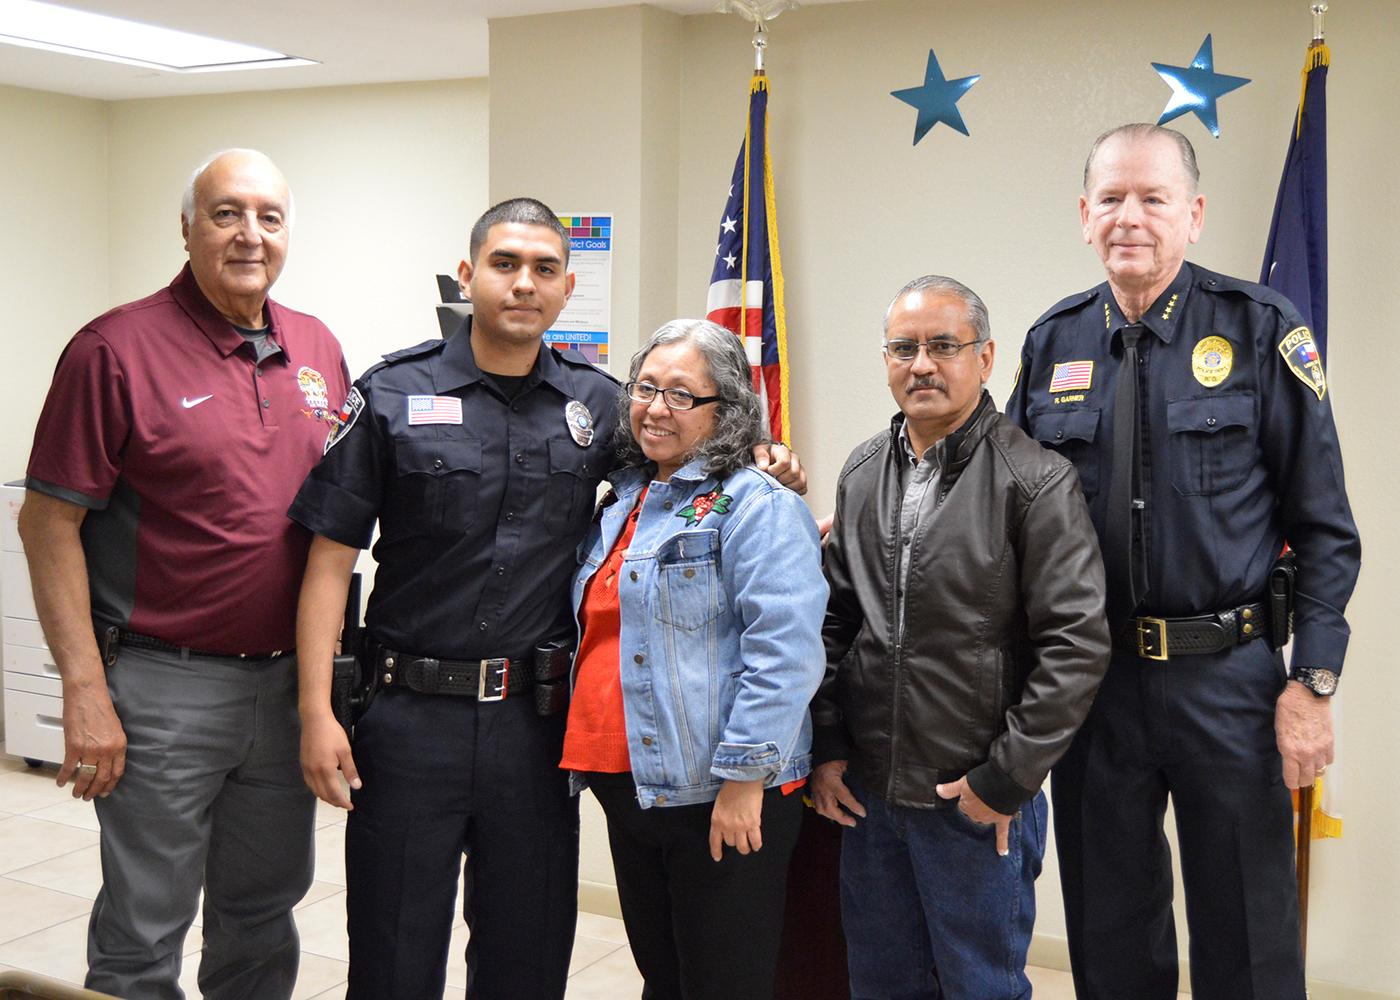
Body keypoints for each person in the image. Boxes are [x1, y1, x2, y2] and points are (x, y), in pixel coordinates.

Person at [289, 198, 807, 999]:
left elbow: (689, 454)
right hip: (408, 720)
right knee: (393, 953)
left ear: (567, 288)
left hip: (532, 729)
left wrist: (765, 456)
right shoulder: (392, 392)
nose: (523, 284)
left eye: (543, 269)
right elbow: (330, 558)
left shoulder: (599, 404)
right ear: (467, 277)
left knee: (526, 958)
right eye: (504, 264)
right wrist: (316, 710)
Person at [1006, 123, 1362, 1000]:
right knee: (1110, 937)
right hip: (1094, 686)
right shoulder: (1054, 341)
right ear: (1084, 214)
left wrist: (1312, 684)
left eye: (1153, 198)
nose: (1130, 216)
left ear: (1193, 214)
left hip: (1229, 682)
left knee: (1248, 938)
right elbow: (998, 506)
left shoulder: (1260, 329)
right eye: (1111, 198)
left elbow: (1324, 527)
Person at [17, 149, 348, 1000]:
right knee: (143, 929)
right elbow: (47, 524)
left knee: (262, 918)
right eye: (226, 213)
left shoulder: (317, 347)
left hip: (285, 687)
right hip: (164, 687)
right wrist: (85, 689)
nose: (250, 235)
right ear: (188, 227)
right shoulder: (114, 350)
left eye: (269, 217)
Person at [810, 275, 1110, 1000]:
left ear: (985, 357)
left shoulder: (1035, 480)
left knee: (982, 987)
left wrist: (1004, 780)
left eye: (943, 346)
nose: (922, 365)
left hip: (971, 799)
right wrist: (827, 745)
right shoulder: (862, 472)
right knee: (880, 984)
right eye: (904, 348)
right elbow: (833, 622)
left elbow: (1075, 644)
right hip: (869, 795)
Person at [562, 319, 827, 1000]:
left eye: (681, 395)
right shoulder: (623, 498)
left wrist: (743, 780)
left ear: (726, 409)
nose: (656, 408)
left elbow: (786, 654)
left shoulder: (757, 504)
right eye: (646, 388)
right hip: (631, 783)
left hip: (719, 790)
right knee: (666, 977)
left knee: (723, 983)